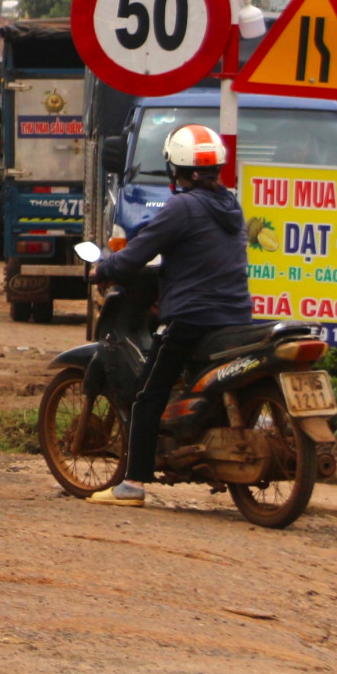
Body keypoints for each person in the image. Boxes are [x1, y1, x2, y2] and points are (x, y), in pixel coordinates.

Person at [88, 124, 252, 507]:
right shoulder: (231, 205)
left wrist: (104, 270)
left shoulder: (182, 207)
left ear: (173, 168)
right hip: (235, 316)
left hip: (192, 318)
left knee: (147, 393)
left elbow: (138, 251)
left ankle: (132, 484)